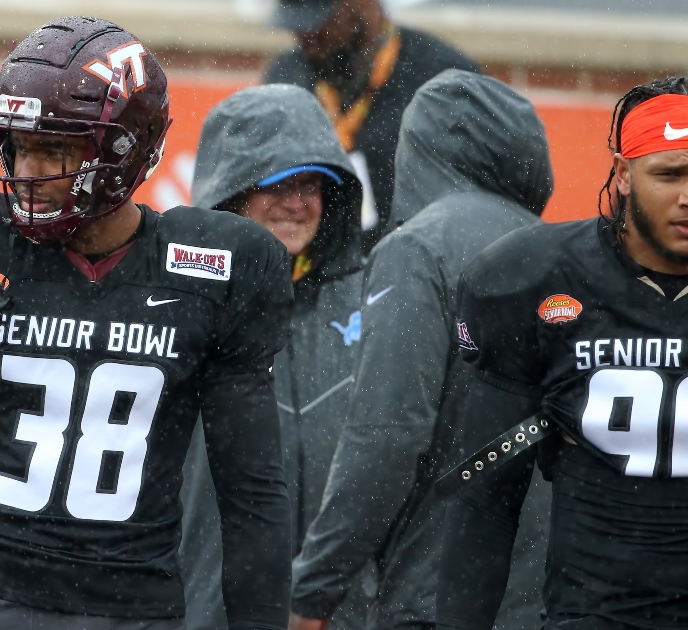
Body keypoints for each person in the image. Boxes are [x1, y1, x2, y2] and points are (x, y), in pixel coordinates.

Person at [0, 17, 294, 630]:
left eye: (53, 148)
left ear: (124, 150)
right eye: (18, 145)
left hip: (134, 608)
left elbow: (252, 497)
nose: (26, 170)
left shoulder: (216, 269)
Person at [288, 70, 552, 630]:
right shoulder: (563, 254)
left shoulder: (419, 249)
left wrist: (314, 590)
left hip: (443, 593)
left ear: (419, 153)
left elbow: (387, 434)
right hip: (551, 594)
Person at [438, 76, 688, 630]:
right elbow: (486, 493)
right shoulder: (535, 279)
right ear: (623, 175)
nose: (687, 196)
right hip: (594, 614)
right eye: (669, 174)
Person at [177, 84, 369, 630]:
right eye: (274, 182)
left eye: (311, 183)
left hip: (338, 611)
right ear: (231, 191)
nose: (296, 201)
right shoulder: (174, 302)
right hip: (208, 605)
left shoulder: (372, 300)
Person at [267, 0, 479, 253]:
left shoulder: (443, 78)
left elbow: (474, 208)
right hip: (316, 271)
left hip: (416, 269)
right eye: (295, 23)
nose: (304, 35)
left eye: (318, 20)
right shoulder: (286, 76)